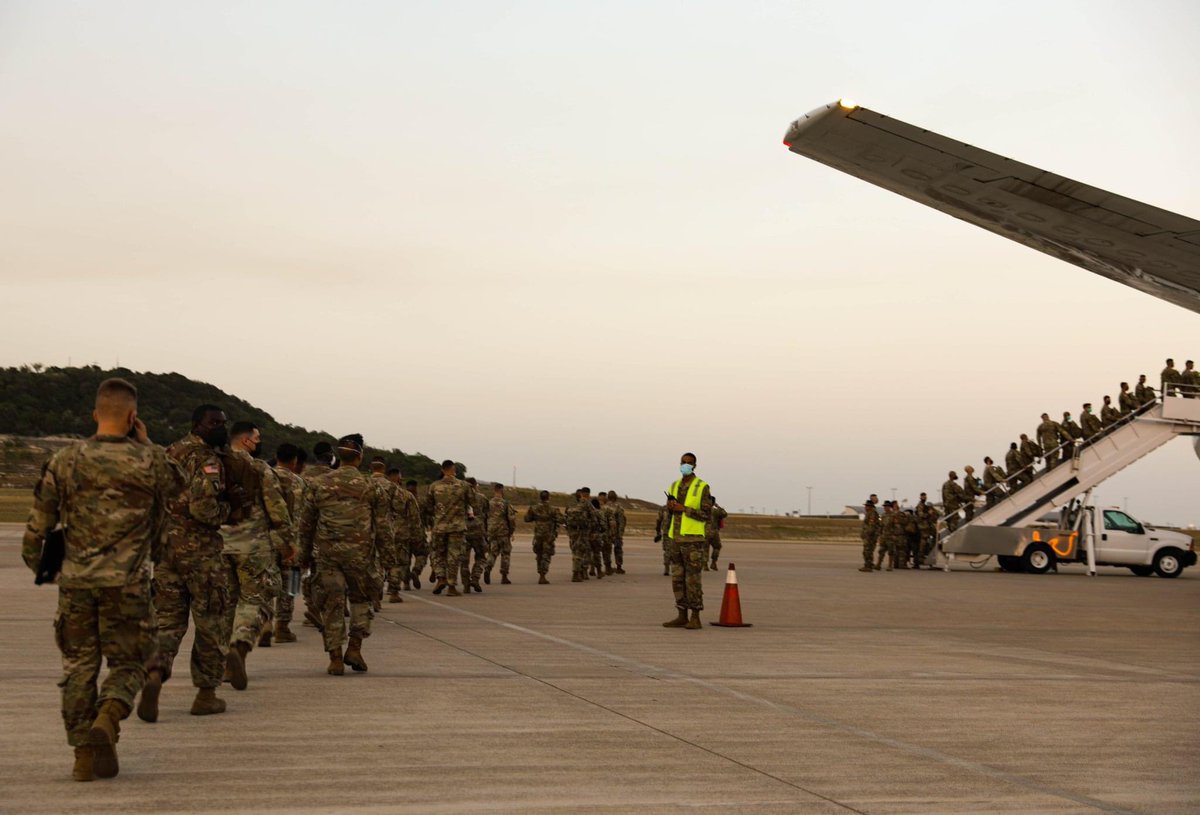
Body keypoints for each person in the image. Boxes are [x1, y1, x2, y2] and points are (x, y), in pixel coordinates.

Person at [23, 378, 181, 781]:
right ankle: (109, 716)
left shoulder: (65, 460)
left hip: (76, 584)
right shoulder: (151, 460)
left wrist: (47, 569)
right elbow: (180, 487)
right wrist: (146, 445)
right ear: (133, 417)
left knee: (77, 668)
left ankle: (81, 757)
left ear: (94, 415)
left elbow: (37, 529)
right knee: (130, 662)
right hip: (128, 585)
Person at [142, 404, 232, 721]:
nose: (220, 427)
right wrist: (228, 513)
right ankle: (206, 694)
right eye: (213, 422)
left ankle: (155, 672)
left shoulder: (169, 452)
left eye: (223, 422)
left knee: (167, 621)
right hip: (201, 553)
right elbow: (204, 509)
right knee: (211, 623)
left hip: (167, 551)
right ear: (197, 424)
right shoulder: (207, 459)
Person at [297, 435, 390, 675]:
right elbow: (382, 526)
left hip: (327, 554)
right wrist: (388, 558)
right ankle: (355, 648)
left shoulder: (318, 484)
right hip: (360, 556)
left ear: (338, 458)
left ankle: (335, 658)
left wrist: (304, 555)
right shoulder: (372, 487)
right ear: (360, 458)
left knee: (332, 605)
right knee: (361, 601)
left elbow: (306, 524)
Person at [220, 422, 293, 689]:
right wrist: (287, 540)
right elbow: (276, 507)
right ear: (248, 441)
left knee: (226, 605)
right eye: (258, 437)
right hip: (252, 545)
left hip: (219, 545)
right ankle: (239, 646)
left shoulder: (214, 465)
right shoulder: (260, 468)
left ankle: (222, 665)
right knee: (256, 600)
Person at [662, 453, 711, 630]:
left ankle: (695, 616)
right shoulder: (674, 486)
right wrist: (670, 509)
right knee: (677, 579)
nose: (686, 465)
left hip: (692, 541)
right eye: (683, 462)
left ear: (695, 466)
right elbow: (669, 513)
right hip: (675, 539)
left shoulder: (702, 487)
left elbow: (706, 514)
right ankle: (681, 614)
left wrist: (685, 509)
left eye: (689, 463)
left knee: (693, 580)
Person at [270, 443, 306, 643]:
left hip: (267, 539)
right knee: (290, 584)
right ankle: (282, 626)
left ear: (276, 456)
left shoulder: (265, 477)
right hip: (291, 541)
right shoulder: (299, 483)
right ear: (295, 461)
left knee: (266, 583)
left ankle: (264, 622)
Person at [422, 460, 472, 596]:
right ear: (454, 469)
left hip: (439, 526)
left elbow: (427, 506)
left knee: (437, 554)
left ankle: (440, 577)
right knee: (454, 556)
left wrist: (438, 514)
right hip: (457, 526)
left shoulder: (434, 486)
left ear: (442, 470)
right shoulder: (463, 485)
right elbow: (473, 502)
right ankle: (451, 586)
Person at [299, 442, 335, 628]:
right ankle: (322, 607)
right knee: (325, 572)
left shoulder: (303, 475)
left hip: (305, 527)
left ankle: (311, 606)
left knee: (307, 570)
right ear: (330, 455)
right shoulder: (333, 477)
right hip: (327, 531)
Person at [368, 457, 405, 603]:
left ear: (371, 469)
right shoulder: (392, 486)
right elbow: (400, 507)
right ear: (383, 470)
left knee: (372, 561)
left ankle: (375, 594)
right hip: (388, 527)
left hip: (368, 527)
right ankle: (394, 591)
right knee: (391, 561)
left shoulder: (365, 483)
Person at [387, 469, 423, 591]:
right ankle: (394, 590)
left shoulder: (379, 491)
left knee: (387, 561)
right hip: (402, 532)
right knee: (402, 562)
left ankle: (382, 589)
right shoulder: (406, 495)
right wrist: (418, 535)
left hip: (384, 532)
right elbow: (414, 517)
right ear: (398, 478)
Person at [525, 490, 563, 583]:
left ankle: (540, 573)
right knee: (546, 554)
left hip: (538, 534)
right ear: (548, 497)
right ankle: (543, 575)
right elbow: (561, 520)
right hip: (548, 535)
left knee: (539, 554)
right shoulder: (553, 509)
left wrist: (536, 517)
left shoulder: (534, 508)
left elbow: (527, 519)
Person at [485, 483, 516, 584]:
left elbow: (485, 517)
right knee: (505, 553)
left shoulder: (488, 503)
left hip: (491, 531)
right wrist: (511, 531)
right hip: (503, 531)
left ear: (494, 490)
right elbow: (511, 519)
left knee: (492, 552)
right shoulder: (506, 503)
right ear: (502, 491)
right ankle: (504, 576)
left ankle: (488, 567)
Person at [463, 477, 489, 592]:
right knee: (481, 557)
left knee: (464, 560)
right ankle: (475, 577)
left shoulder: (460, 498)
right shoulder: (482, 498)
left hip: (463, 531)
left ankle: (466, 584)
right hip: (478, 531)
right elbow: (487, 515)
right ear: (474, 486)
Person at [402, 478, 428, 588]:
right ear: (416, 488)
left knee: (405, 558)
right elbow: (429, 514)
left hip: (403, 533)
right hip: (418, 533)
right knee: (422, 554)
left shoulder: (399, 500)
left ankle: (406, 582)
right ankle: (416, 571)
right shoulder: (421, 501)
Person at [564, 489, 592, 582]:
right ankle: (577, 573)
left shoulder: (570, 505)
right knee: (580, 552)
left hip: (572, 531)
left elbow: (565, 518)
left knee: (575, 551)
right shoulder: (586, 504)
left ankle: (579, 571)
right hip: (582, 531)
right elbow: (594, 514)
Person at [606, 491, 627, 574]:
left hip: (607, 533)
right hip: (616, 533)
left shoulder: (604, 507)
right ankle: (619, 567)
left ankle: (608, 567)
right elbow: (622, 521)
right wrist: (620, 533)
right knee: (618, 550)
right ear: (615, 497)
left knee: (607, 550)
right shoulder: (619, 507)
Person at [915, 494, 938, 566]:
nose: (924, 498)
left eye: (925, 497)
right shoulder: (920, 506)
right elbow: (921, 515)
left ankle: (929, 553)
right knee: (923, 541)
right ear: (920, 497)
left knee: (935, 537)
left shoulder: (925, 506)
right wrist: (928, 514)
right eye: (923, 497)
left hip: (927, 526)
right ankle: (920, 557)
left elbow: (936, 515)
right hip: (923, 526)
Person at [706, 496, 728, 571]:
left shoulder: (703, 510)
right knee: (717, 547)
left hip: (703, 532)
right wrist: (718, 506)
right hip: (713, 532)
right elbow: (724, 514)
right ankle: (713, 562)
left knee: (704, 548)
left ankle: (704, 565)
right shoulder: (715, 511)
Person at [653, 502, 671, 576]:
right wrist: (658, 532)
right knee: (667, 551)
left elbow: (658, 520)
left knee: (670, 551)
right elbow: (659, 520)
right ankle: (667, 567)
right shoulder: (664, 509)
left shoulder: (664, 509)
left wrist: (658, 532)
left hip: (675, 533)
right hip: (668, 533)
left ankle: (669, 568)